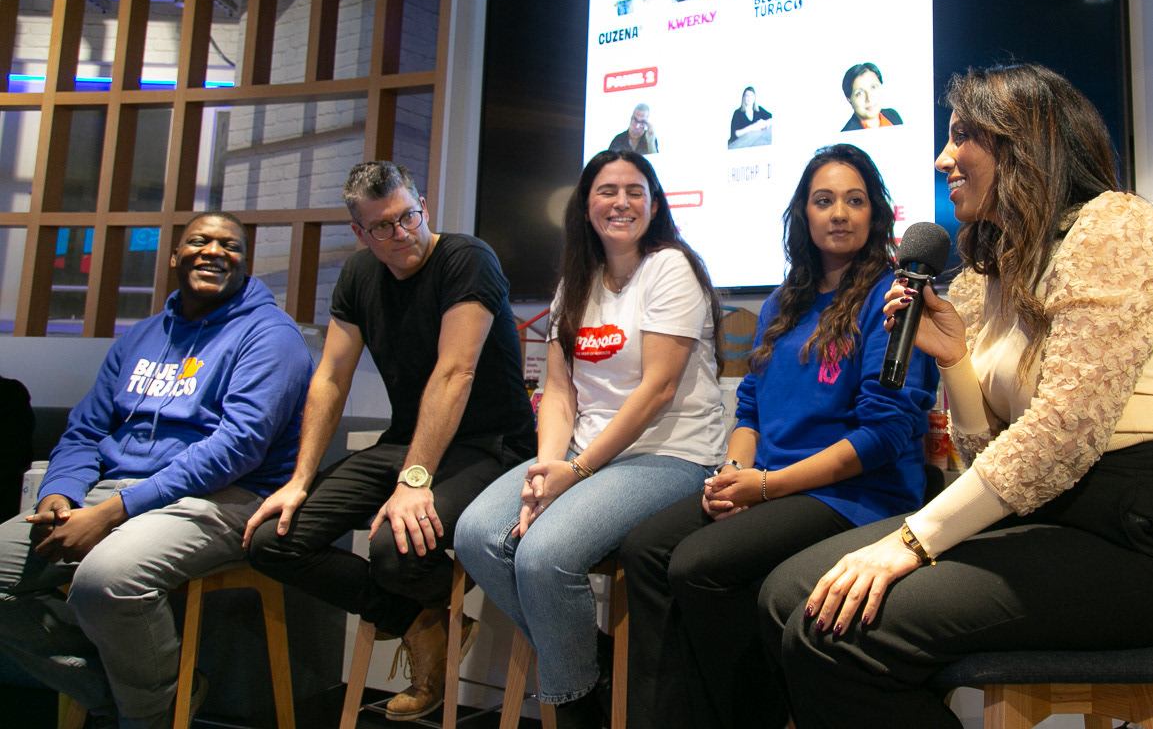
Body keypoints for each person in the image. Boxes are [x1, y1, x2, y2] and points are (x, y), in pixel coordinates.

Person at [759, 64, 1153, 729]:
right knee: (786, 595)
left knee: (839, 631)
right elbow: (984, 458)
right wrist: (955, 361)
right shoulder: (986, 274)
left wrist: (914, 541)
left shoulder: (1112, 226)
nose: (943, 158)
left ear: (1021, 142)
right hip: (1038, 518)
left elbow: (1063, 434)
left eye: (961, 137)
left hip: (1137, 541)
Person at [619, 144, 937, 729]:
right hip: (771, 485)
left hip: (857, 496)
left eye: (854, 200)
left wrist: (764, 487)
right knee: (646, 550)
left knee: (698, 565)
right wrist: (730, 476)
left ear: (875, 215)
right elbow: (750, 408)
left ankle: (752, 715)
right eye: (824, 201)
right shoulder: (781, 304)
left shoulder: (891, 298)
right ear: (804, 215)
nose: (839, 213)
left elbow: (885, 434)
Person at [244, 161, 534, 722]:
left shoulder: (466, 258)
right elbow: (329, 377)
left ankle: (423, 604)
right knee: (272, 540)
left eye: (409, 216)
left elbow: (456, 372)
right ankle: (424, 621)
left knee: (394, 553)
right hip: (405, 441)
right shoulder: (357, 277)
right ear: (360, 233)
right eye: (383, 227)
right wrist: (301, 479)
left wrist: (415, 480)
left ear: (421, 204)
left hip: (491, 448)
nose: (402, 233)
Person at [0, 212, 309, 729]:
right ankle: (152, 701)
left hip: (223, 497)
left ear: (244, 264)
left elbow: (237, 448)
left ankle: (145, 715)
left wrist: (112, 513)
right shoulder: (142, 336)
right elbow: (84, 431)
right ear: (174, 256)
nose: (214, 251)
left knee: (107, 580)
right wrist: (60, 494)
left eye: (230, 245)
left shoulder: (270, 336)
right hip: (110, 491)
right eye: (199, 240)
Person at [454, 149, 724, 729]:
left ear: (653, 204)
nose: (621, 202)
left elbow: (656, 391)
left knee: (544, 557)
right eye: (607, 190)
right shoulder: (575, 283)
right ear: (586, 205)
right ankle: (591, 659)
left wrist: (574, 474)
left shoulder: (671, 267)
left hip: (669, 454)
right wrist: (545, 469)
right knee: (477, 535)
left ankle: (580, 708)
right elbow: (558, 392)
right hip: (583, 454)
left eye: (635, 190)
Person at [840, 62, 902, 131]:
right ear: (849, 99)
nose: (869, 98)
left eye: (874, 87)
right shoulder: (846, 136)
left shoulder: (892, 115)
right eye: (859, 93)